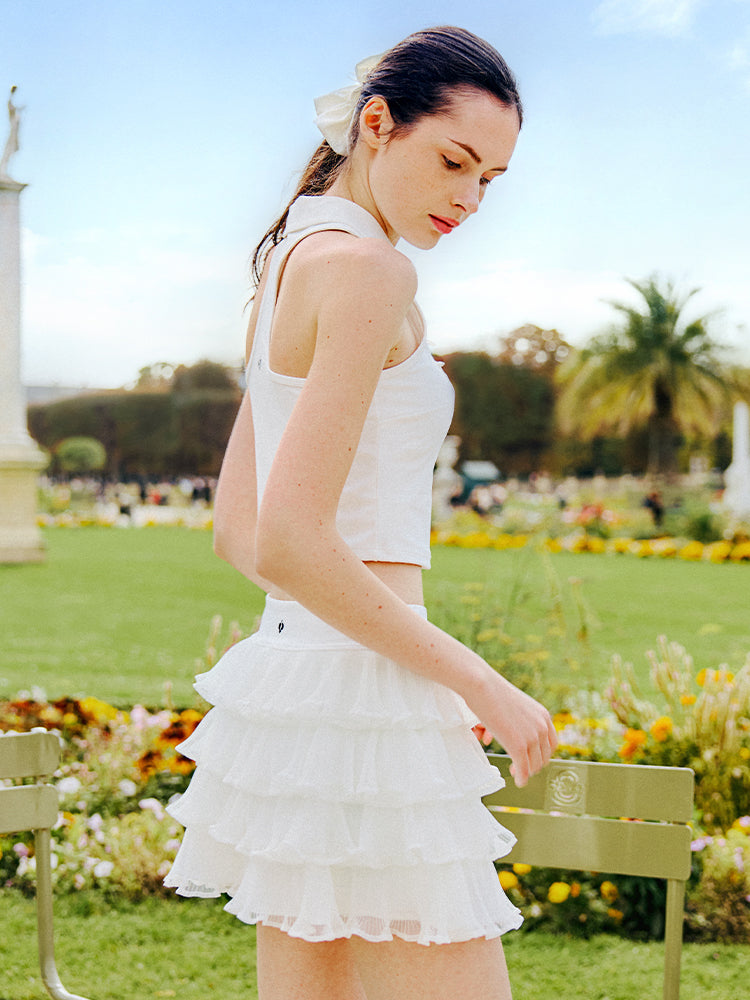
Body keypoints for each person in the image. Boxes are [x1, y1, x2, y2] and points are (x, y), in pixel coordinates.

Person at [165, 26, 557, 1000]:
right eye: (454, 161)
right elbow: (288, 538)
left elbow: (240, 532)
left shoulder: (292, 259)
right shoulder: (371, 271)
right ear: (376, 125)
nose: (468, 197)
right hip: (360, 688)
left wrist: (344, 657)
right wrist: (477, 683)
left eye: (491, 179)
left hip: (303, 691)